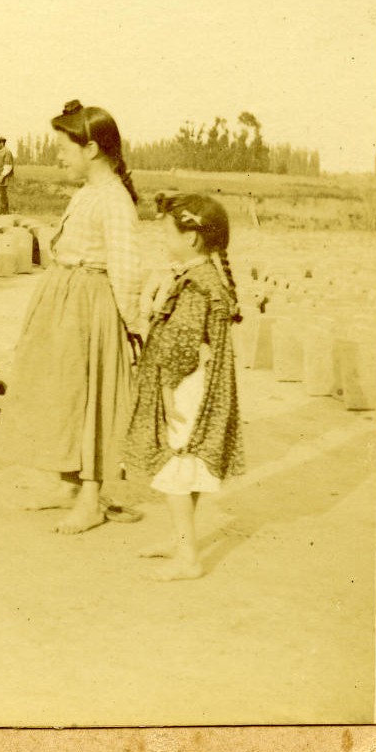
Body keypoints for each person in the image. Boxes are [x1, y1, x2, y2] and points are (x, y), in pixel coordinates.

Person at [0, 100, 144, 533]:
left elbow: (127, 267)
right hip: (65, 302)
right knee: (61, 392)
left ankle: (93, 497)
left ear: (92, 149)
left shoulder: (114, 200)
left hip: (90, 309)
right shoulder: (87, 193)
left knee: (91, 399)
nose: (59, 155)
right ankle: (67, 484)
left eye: (64, 147)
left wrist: (130, 323)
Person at [124, 192, 245, 580]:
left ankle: (189, 558)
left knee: (175, 467)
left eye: (167, 234)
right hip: (198, 384)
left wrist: (165, 388)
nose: (163, 241)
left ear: (191, 238)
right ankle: (181, 540)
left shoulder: (196, 286)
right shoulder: (204, 276)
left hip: (186, 388)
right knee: (185, 468)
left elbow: (183, 345)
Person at [0, 136, 14, 214]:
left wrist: (1, 177)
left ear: (2, 143)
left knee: (2, 198)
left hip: (3, 180)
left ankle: (4, 215)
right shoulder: (0, 152)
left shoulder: (7, 152)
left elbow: (8, 166)